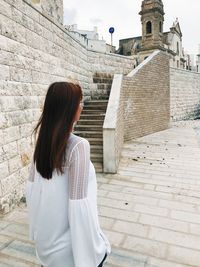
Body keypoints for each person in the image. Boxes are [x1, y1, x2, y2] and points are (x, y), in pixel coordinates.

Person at [25, 82, 111, 267]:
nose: (82, 106)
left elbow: (31, 193)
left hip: (45, 248)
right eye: (79, 102)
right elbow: (79, 205)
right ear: (70, 109)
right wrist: (93, 253)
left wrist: (35, 235)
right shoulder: (78, 146)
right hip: (69, 252)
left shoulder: (42, 142)